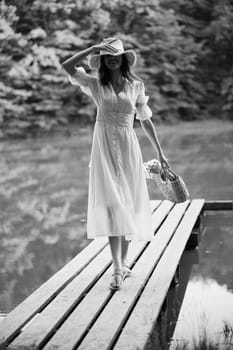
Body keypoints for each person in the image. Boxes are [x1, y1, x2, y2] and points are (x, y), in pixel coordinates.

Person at [62, 37, 169, 291]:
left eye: (116, 54)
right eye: (107, 55)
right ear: (102, 59)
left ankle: (124, 262)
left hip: (128, 146)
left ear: (123, 59)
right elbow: (67, 66)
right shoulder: (94, 83)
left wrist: (161, 153)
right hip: (103, 149)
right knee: (113, 203)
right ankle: (117, 268)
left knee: (128, 201)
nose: (112, 58)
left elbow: (145, 120)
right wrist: (92, 49)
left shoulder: (136, 86)